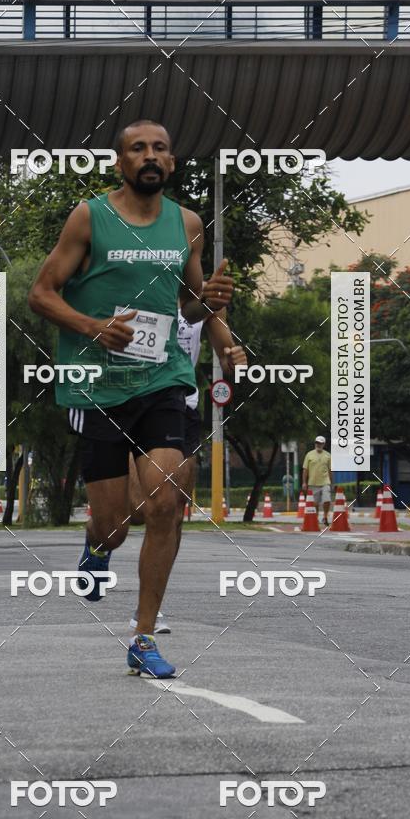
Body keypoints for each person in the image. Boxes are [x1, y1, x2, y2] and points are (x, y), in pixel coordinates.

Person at [29, 120, 234, 677]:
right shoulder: (89, 217)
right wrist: (92, 327)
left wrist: (212, 307)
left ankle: (143, 637)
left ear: (171, 162)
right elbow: (41, 294)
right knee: (115, 525)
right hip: (97, 386)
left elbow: (189, 303)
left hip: (161, 379)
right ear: (119, 162)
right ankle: (97, 545)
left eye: (160, 148)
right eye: (138, 148)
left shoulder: (187, 223)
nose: (150, 156)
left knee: (166, 501)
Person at [128, 295, 247, 634]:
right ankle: (99, 537)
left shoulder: (206, 296)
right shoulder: (139, 280)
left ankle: (148, 610)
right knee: (137, 511)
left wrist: (233, 357)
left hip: (182, 404)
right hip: (132, 398)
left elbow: (225, 349)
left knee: (171, 513)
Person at [302, 435, 332, 527]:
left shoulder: (328, 455)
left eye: (320, 443)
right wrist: (304, 482)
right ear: (315, 443)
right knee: (315, 504)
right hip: (313, 483)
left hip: (325, 482)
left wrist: (331, 482)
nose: (318, 445)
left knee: (327, 500)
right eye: (317, 443)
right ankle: (316, 519)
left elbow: (330, 470)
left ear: (323, 444)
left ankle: (325, 517)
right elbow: (305, 470)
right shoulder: (309, 455)